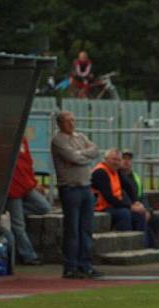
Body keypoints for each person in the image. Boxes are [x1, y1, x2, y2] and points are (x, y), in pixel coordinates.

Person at [51, 110, 104, 279]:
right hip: (70, 187)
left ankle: (85, 264)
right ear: (60, 123)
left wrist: (81, 155)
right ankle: (70, 265)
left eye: (73, 120)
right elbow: (74, 157)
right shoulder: (58, 140)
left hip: (86, 186)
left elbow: (95, 150)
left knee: (86, 228)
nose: (72, 124)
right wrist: (83, 155)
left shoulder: (80, 136)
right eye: (68, 121)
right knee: (72, 229)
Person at [6, 136, 52, 265]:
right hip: (13, 187)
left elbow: (28, 162)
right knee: (19, 225)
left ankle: (10, 212)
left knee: (45, 208)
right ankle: (29, 256)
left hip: (25, 185)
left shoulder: (22, 139)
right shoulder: (4, 139)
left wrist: (33, 182)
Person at [91, 148, 149, 239]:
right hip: (100, 207)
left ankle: (142, 245)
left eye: (118, 160)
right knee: (124, 213)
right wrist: (130, 206)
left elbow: (127, 186)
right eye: (114, 159)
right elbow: (109, 197)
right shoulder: (100, 172)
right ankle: (126, 242)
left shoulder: (116, 171)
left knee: (139, 214)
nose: (116, 162)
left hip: (114, 206)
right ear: (106, 159)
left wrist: (135, 202)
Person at [119, 149, 159, 248]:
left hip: (139, 207)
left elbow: (142, 196)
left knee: (156, 219)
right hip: (128, 207)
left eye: (129, 159)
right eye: (123, 158)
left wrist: (147, 210)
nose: (126, 161)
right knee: (140, 218)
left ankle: (151, 245)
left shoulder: (135, 177)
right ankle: (151, 246)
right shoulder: (117, 176)